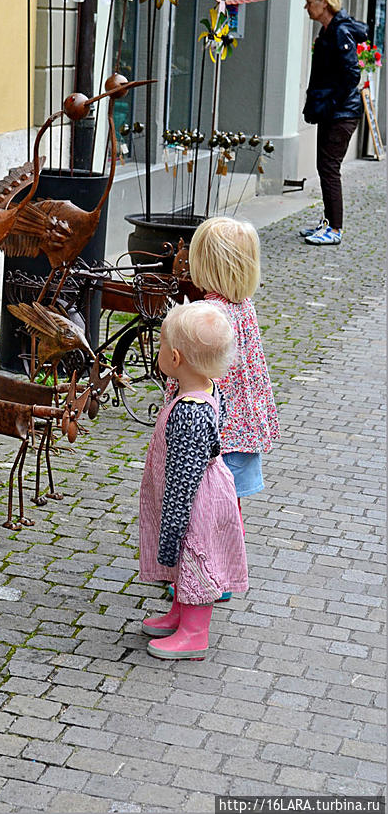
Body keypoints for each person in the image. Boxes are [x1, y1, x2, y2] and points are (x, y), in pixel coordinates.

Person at [165, 218, 279, 606]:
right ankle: (226, 574)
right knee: (230, 506)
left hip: (212, 433)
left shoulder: (205, 316)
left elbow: (188, 372)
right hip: (244, 426)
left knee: (200, 508)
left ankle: (201, 576)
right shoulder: (242, 305)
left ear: (204, 264)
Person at [139, 302, 248, 660]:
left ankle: (194, 634)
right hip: (203, 490)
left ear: (174, 358)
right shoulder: (207, 388)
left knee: (193, 556)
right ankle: (180, 613)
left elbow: (185, 478)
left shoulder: (190, 411)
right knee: (184, 560)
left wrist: (172, 525)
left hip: (194, 500)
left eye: (159, 347)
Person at [300, 0, 368, 246]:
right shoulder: (328, 31)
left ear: (324, 2)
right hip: (332, 112)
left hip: (342, 114)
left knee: (329, 168)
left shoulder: (339, 32)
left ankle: (335, 229)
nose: (306, 7)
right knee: (324, 166)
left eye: (310, 2)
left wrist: (330, 103)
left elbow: (352, 74)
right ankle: (328, 223)